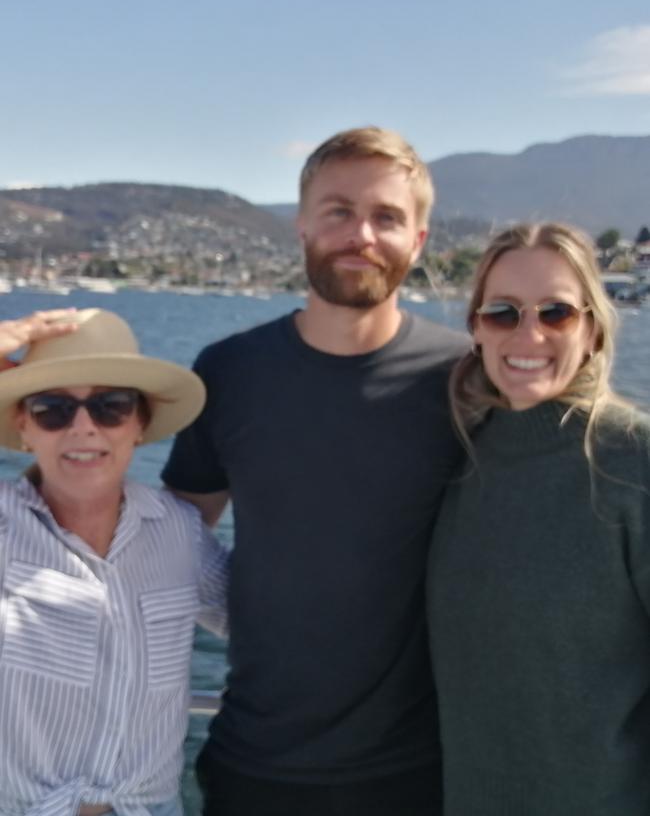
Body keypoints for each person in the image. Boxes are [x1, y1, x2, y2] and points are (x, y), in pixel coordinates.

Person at [163, 125, 468, 816]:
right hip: (252, 764)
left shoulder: (467, 381)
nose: (361, 233)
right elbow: (171, 534)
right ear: (302, 224)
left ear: (418, 241)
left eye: (387, 216)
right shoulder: (230, 371)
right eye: (339, 210)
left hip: (420, 772)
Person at [428, 221, 650, 816]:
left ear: (595, 331)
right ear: (476, 328)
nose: (529, 333)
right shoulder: (462, 456)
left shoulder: (633, 459)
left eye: (556, 312)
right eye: (503, 312)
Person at [0, 307, 229, 816]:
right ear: (24, 428)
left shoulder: (178, 531)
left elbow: (260, 623)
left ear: (140, 425)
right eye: (52, 409)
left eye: (111, 406)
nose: (83, 427)